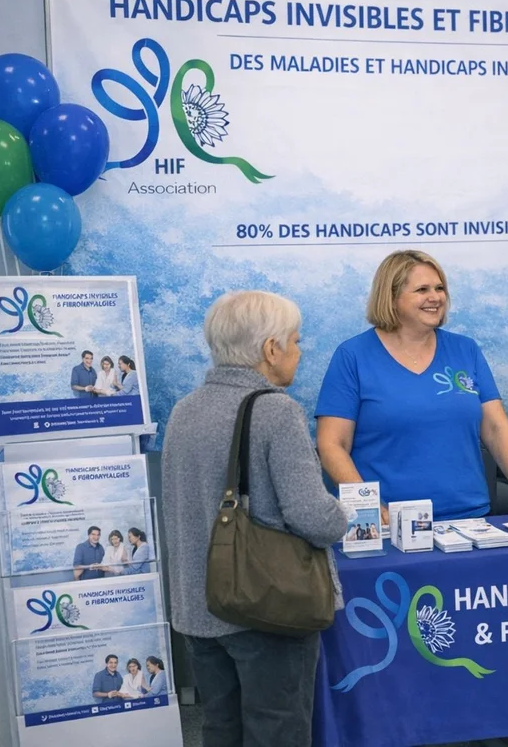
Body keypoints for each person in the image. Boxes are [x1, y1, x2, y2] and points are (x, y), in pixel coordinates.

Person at [162, 290, 350, 746]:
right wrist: (346, 512)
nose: (299, 352)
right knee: (277, 732)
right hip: (266, 610)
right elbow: (315, 518)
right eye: (296, 341)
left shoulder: (184, 411)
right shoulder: (276, 412)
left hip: (199, 607)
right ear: (271, 349)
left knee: (221, 730)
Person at [316, 250, 508, 522]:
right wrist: (370, 508)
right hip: (391, 523)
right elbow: (332, 444)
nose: (435, 297)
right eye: (422, 289)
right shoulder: (353, 355)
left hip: (469, 518)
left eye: (439, 288)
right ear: (392, 297)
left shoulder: (465, 350)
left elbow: (495, 428)